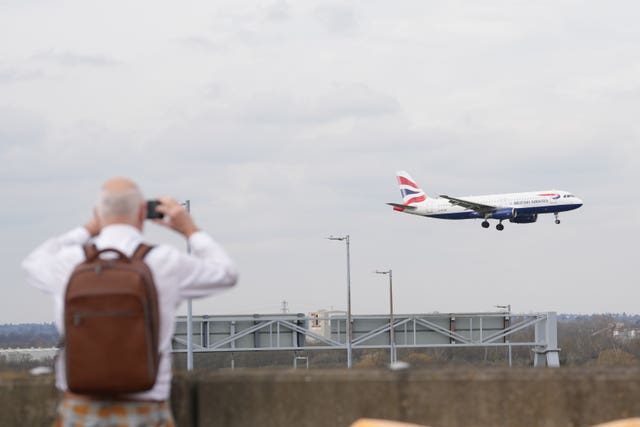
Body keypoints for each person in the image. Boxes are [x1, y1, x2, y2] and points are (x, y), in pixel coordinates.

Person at [22, 177, 238, 426]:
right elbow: (226, 273)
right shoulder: (164, 261)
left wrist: (88, 229)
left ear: (97, 214)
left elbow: (32, 264)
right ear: (143, 212)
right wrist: (189, 229)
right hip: (146, 403)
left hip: (80, 404)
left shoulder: (69, 262)